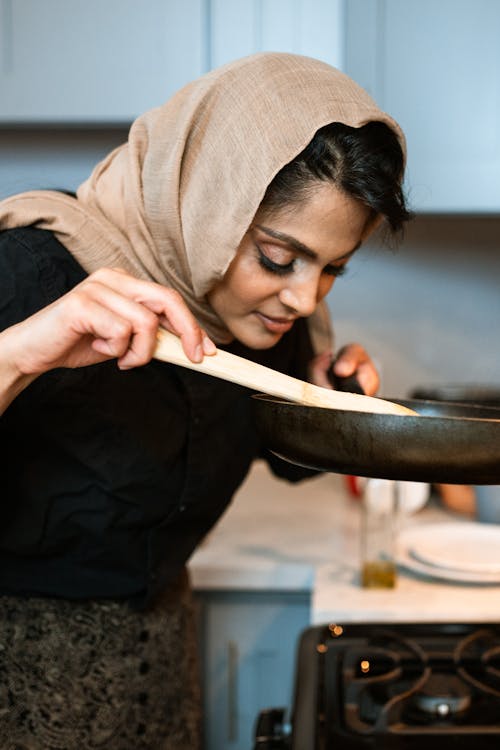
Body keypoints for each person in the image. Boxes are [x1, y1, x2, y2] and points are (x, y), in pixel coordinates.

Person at [0, 52, 410, 749]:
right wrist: (18, 355)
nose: (304, 298)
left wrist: (331, 403)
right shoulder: (35, 273)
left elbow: (285, 458)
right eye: (278, 259)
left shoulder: (268, 320)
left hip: (160, 665)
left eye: (333, 267)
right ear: (207, 205)